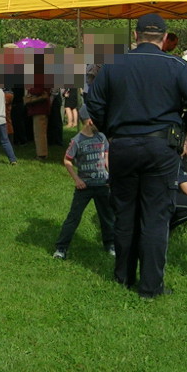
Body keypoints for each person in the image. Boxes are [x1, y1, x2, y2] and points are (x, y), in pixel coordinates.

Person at [87, 13, 187, 299]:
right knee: (156, 215)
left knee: (125, 212)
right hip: (160, 146)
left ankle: (123, 277)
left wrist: (110, 130)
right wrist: (183, 129)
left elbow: (94, 102)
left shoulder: (113, 65)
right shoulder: (176, 65)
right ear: (164, 38)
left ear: (136, 36)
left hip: (124, 144)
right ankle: (151, 286)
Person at [53, 105, 115, 260]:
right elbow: (67, 160)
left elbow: (106, 159)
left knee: (107, 217)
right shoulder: (77, 141)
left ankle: (110, 244)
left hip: (102, 185)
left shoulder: (102, 137)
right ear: (90, 121)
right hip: (84, 187)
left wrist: (111, 176)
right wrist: (77, 179)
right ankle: (61, 248)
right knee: (73, 217)